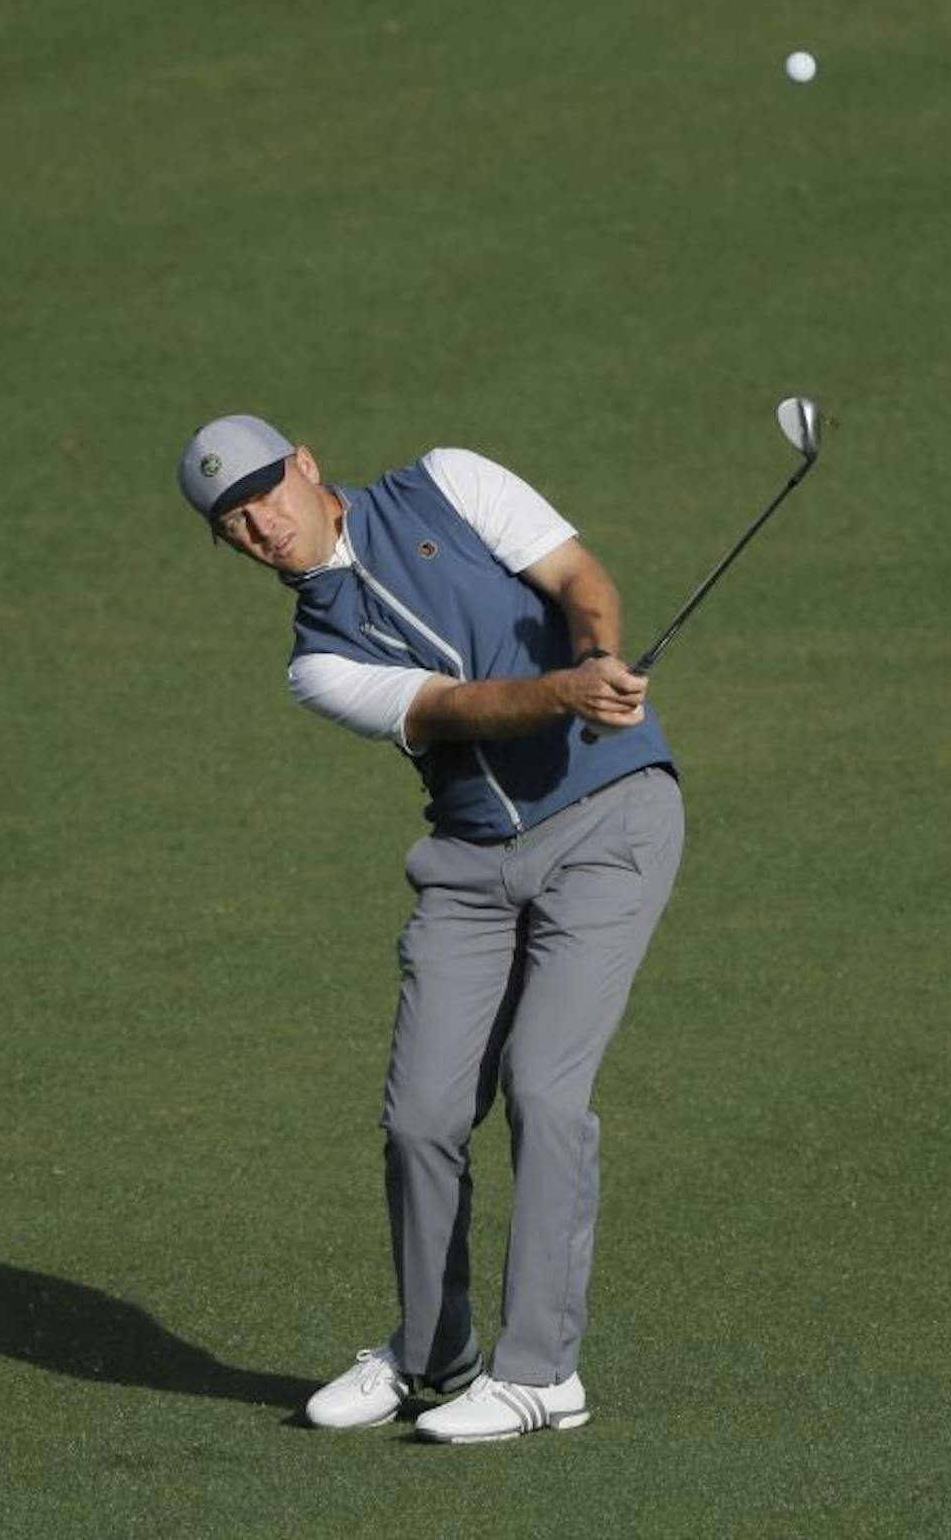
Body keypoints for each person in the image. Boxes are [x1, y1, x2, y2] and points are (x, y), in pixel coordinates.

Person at [176, 412, 685, 1443]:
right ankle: (431, 1355)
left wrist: (599, 659)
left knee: (544, 1085)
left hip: (610, 824)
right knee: (420, 1116)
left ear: (307, 465)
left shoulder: (449, 482)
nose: (261, 525)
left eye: (267, 492)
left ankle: (541, 1373)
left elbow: (580, 577)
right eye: (233, 522)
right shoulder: (315, 663)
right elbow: (463, 709)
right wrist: (563, 691)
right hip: (467, 870)